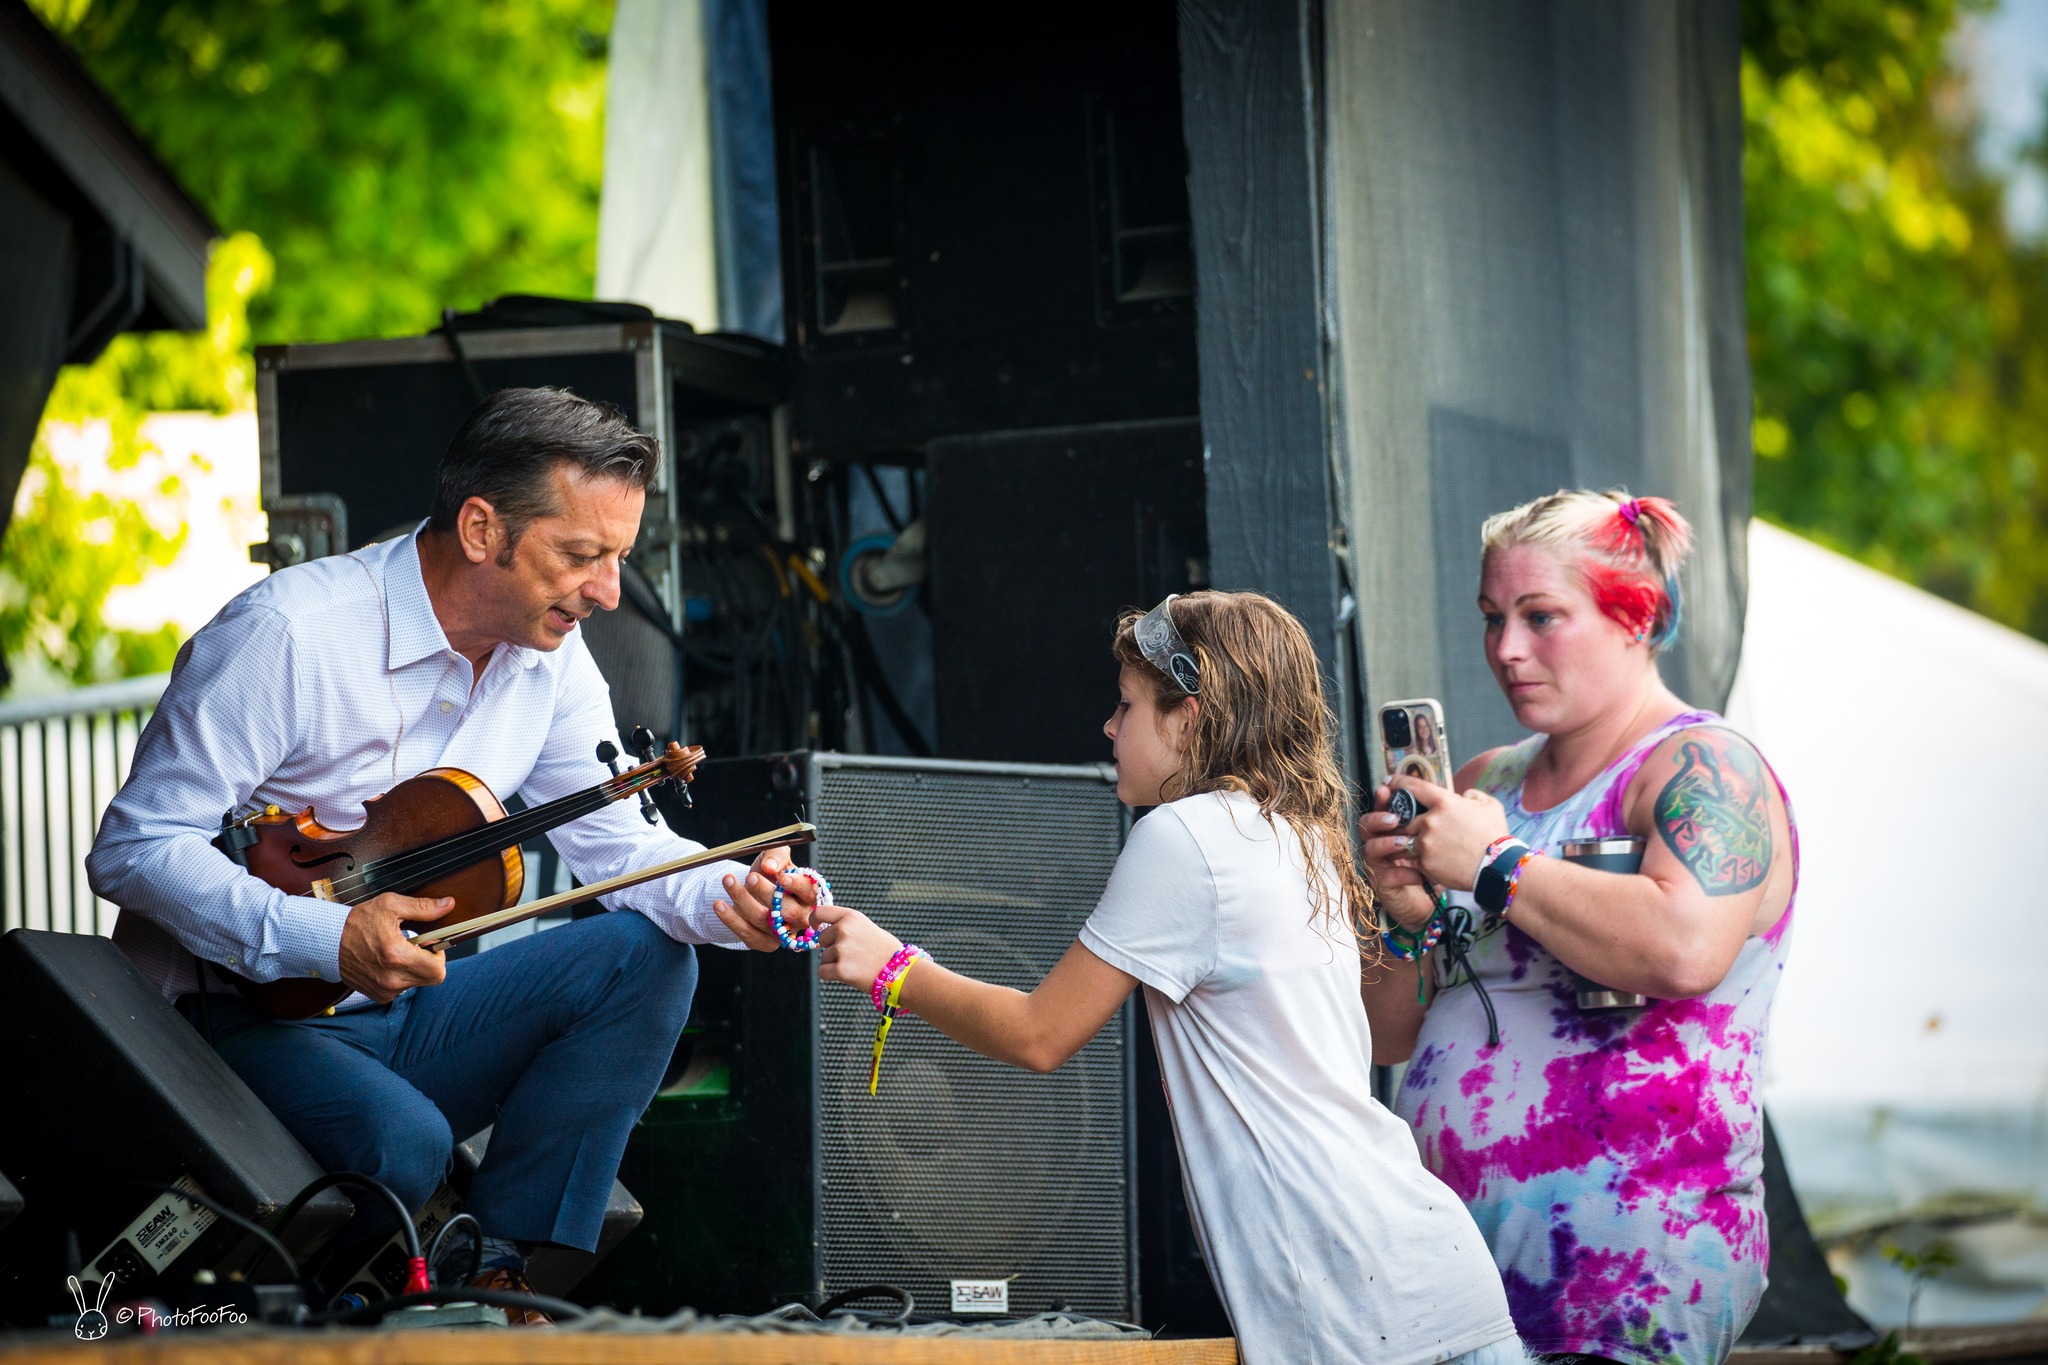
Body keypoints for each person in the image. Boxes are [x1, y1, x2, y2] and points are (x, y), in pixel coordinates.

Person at [86, 387, 815, 1321]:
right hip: (233, 1020)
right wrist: (323, 933)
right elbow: (136, 845)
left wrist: (735, 890)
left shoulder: (553, 659)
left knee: (647, 959)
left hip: (399, 1012)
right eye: (582, 555)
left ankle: (499, 1271)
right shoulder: (288, 633)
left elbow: (624, 846)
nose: (608, 592)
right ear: (480, 528)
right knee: (405, 1142)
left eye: (619, 558)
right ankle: (320, 1319)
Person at [814, 591, 1524, 1365]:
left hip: (1359, 1303)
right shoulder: (1296, 835)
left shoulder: (1187, 835)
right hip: (1435, 1283)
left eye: (1127, 705)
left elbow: (1040, 1033)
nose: (1110, 727)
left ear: (1189, 716)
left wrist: (893, 967)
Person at [1359, 490, 1797, 1365]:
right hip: (1456, 1281)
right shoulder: (1487, 781)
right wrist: (1406, 918)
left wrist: (1495, 862)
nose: (1506, 650)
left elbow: (1682, 947)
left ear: (1635, 616)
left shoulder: (1705, 767)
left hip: (1628, 1279)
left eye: (1541, 616)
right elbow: (1386, 1030)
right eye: (1493, 618)